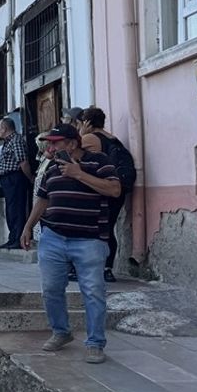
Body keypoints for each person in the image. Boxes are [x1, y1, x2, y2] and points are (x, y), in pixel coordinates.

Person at [22, 124, 123, 364]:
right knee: (51, 289)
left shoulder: (100, 162)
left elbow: (115, 190)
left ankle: (95, 343)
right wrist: (27, 227)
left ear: (72, 143)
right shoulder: (52, 168)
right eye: (49, 142)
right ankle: (61, 332)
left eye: (55, 142)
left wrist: (78, 174)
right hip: (53, 237)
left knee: (93, 292)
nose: (50, 147)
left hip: (89, 239)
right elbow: (43, 200)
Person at [78, 107, 136, 282]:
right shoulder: (113, 139)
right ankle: (108, 268)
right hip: (118, 189)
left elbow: (73, 154)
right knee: (109, 228)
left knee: (97, 228)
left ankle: (95, 266)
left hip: (100, 189)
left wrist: (81, 134)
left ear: (86, 122)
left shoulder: (88, 139)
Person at [0, 118, 34, 250]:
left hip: (15, 178)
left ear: (4, 128)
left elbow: (22, 161)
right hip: (7, 180)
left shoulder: (16, 140)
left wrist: (30, 178)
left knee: (16, 208)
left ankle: (18, 238)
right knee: (10, 209)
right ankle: (12, 237)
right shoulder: (8, 142)